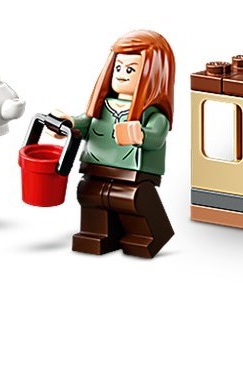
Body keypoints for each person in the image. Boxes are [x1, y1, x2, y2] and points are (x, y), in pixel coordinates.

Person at [62, 30, 177, 258]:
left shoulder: (151, 113)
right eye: (118, 67)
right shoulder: (103, 105)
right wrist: (68, 124)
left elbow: (157, 135)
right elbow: (85, 123)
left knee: (132, 199)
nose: (122, 74)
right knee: (89, 193)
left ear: (153, 74)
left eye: (130, 70)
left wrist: (140, 134)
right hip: (96, 166)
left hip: (132, 172)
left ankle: (145, 235)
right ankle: (96, 233)